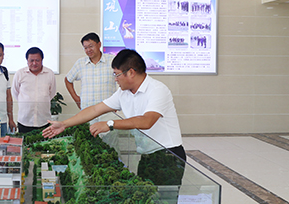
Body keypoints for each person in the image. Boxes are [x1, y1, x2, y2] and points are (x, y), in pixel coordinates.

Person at [44, 48, 186, 182]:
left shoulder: (157, 90)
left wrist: (110, 124)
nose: (115, 79)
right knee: (148, 197)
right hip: (146, 155)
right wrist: (64, 124)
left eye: (117, 74)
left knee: (165, 199)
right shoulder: (123, 93)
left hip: (168, 155)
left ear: (131, 72)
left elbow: (146, 121)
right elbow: (95, 110)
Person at [65, 32, 116, 111]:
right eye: (85, 48)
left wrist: (117, 102)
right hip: (87, 110)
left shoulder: (112, 61)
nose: (88, 50)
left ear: (99, 44)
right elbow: (68, 80)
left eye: (91, 46)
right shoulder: (80, 63)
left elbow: (123, 79)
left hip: (107, 110)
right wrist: (76, 99)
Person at [11, 47, 56, 133]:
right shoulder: (20, 74)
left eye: (37, 60)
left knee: (43, 141)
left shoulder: (49, 74)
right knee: (24, 141)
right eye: (31, 60)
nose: (34, 63)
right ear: (27, 61)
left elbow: (51, 93)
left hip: (43, 120)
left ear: (42, 60)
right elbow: (15, 92)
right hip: (25, 120)